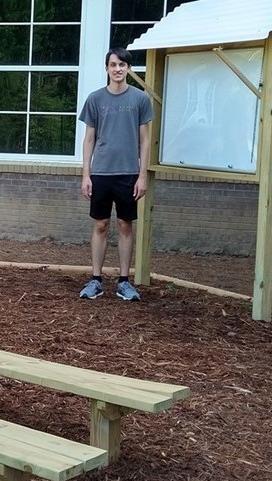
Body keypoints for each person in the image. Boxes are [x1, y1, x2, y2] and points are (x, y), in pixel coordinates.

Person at [77, 47, 154, 301]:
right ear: (107, 68)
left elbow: (145, 140)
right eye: (113, 65)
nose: (118, 69)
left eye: (122, 65)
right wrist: (86, 174)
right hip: (101, 173)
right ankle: (95, 280)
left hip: (128, 173)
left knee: (124, 225)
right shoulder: (95, 99)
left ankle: (124, 281)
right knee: (100, 225)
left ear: (129, 69)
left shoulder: (140, 100)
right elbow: (89, 139)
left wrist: (142, 175)